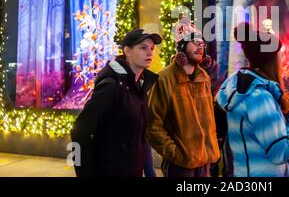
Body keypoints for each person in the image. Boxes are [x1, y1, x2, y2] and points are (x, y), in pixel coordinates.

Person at [216, 22, 289, 177]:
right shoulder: (258, 98)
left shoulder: (248, 92)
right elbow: (280, 152)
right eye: (279, 55)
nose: (282, 60)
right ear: (271, 60)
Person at [71, 28, 162, 177]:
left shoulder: (140, 87)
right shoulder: (111, 86)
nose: (150, 53)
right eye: (143, 48)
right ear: (127, 50)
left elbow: (140, 136)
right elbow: (79, 131)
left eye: (151, 48)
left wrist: (148, 170)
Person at [146, 15, 220, 177]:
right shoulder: (165, 78)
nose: (200, 47)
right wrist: (176, 154)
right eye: (195, 43)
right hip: (180, 167)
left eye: (202, 43)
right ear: (181, 47)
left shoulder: (203, 78)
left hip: (205, 162)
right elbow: (153, 125)